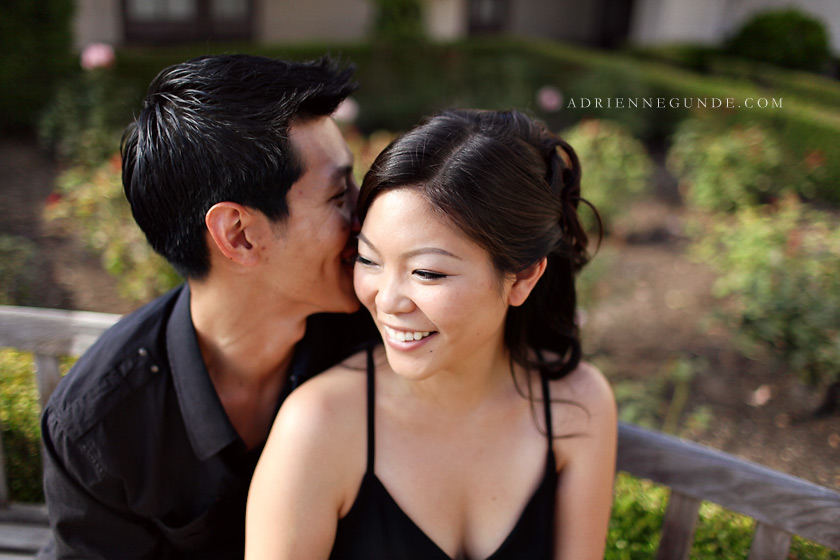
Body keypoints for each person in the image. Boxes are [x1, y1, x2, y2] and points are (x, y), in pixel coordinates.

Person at [39, 54, 377, 559]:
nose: (366, 215)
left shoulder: (382, 334)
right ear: (239, 235)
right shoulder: (102, 426)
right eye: (338, 196)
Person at [245, 109, 618, 560]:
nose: (387, 301)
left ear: (521, 277)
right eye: (369, 259)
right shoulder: (319, 424)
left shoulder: (576, 406)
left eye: (426, 272)